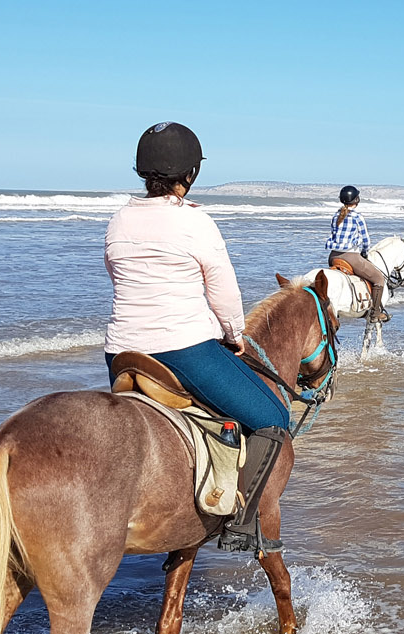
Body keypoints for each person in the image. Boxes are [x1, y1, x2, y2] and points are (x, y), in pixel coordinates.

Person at [103, 121, 290, 554]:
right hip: (182, 347)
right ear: (189, 174)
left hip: (122, 352)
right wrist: (234, 334)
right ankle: (241, 524)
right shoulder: (196, 222)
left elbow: (117, 275)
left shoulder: (119, 219)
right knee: (272, 419)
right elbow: (223, 289)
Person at [327, 185, 390, 323]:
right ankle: (375, 313)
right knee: (379, 279)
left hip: (333, 256)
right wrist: (364, 253)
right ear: (357, 200)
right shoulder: (357, 217)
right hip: (350, 256)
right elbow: (366, 239)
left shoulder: (336, 215)